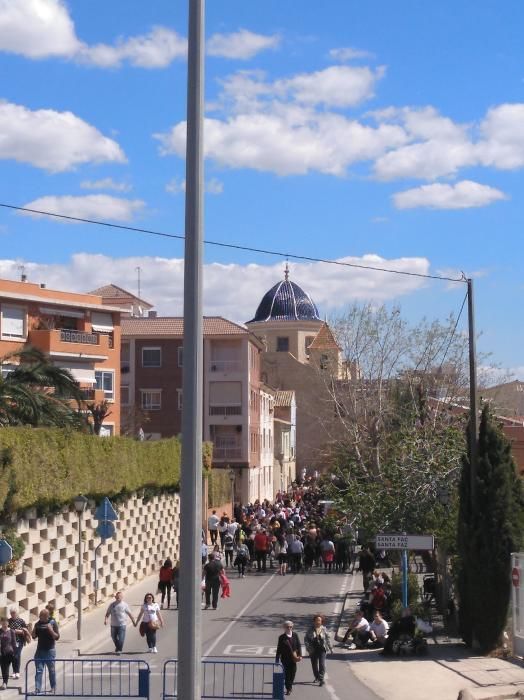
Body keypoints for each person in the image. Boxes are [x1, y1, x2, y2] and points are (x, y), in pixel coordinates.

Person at [32, 608, 59, 695]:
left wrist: (50, 630)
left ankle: (53, 687)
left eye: (42, 616)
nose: (40, 618)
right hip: (39, 651)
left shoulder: (52, 623)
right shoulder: (38, 624)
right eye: (40, 616)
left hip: (50, 650)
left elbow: (57, 637)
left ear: (46, 616)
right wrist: (33, 629)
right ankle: (37, 688)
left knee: (51, 670)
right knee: (39, 671)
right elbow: (34, 636)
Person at [304, 614, 332, 687]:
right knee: (314, 665)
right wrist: (308, 648)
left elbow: (328, 638)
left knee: (322, 664)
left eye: (319, 620)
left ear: (321, 621)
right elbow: (306, 639)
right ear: (314, 621)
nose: (318, 622)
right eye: (316, 620)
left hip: (322, 649)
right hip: (313, 649)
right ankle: (317, 677)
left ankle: (321, 679)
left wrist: (330, 648)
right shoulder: (310, 629)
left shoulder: (324, 629)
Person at [275, 620, 302, 696]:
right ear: (284, 627)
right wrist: (277, 659)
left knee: (293, 672)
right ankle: (288, 688)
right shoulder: (281, 637)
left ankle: (289, 685)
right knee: (287, 674)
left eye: (291, 627)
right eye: (287, 627)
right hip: (285, 658)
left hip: (294, 658)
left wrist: (300, 655)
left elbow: (299, 645)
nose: (289, 628)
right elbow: (279, 648)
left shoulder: (295, 635)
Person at [8, 608, 30, 680]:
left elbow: (26, 631)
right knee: (13, 656)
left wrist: (19, 631)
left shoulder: (21, 621)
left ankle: (17, 672)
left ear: (17, 613)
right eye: (11, 613)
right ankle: (14, 672)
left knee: (16, 655)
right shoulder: (9, 621)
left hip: (19, 641)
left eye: (14, 613)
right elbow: (6, 630)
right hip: (11, 642)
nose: (13, 614)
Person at [0, 618, 16, 690]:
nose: (4, 624)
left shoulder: (11, 631)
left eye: (5, 623)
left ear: (8, 623)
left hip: (9, 652)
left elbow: (14, 643)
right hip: (1, 652)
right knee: (3, 668)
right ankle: (4, 682)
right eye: (3, 623)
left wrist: (15, 652)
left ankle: (4, 683)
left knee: (5, 668)